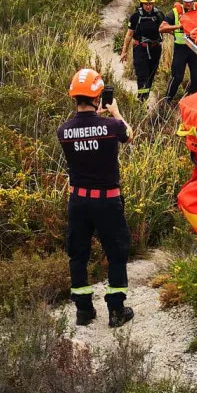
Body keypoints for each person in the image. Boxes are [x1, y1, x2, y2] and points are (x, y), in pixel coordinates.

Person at [57, 68, 135, 328]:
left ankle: (83, 310)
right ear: (97, 97)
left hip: (78, 202)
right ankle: (116, 310)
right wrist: (114, 112)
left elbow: (84, 132)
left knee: (78, 254)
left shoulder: (63, 131)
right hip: (107, 201)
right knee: (116, 253)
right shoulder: (112, 126)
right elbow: (128, 134)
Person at [159, 0, 197, 102]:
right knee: (177, 77)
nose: (188, 4)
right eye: (186, 1)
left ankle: (192, 101)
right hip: (181, 49)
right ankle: (166, 101)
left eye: (190, 1)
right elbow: (162, 28)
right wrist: (177, 27)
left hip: (195, 48)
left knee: (196, 78)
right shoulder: (174, 12)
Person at [120, 0, 164, 101]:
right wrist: (124, 51)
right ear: (141, 3)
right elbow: (129, 34)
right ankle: (141, 100)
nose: (148, 6)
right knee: (142, 76)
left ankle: (145, 96)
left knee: (150, 76)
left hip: (155, 49)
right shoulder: (135, 17)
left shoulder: (159, 15)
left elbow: (166, 28)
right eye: (146, 4)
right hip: (140, 49)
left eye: (150, 4)